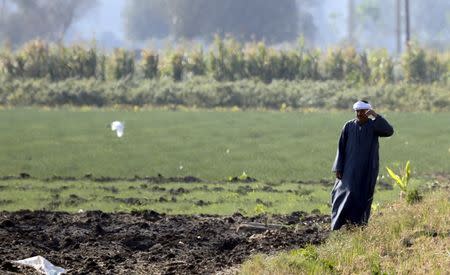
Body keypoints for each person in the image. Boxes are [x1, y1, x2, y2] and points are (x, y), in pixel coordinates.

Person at [331, 100, 394, 230]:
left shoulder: (374, 126)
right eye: (357, 111)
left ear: (368, 112)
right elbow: (341, 147)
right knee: (341, 193)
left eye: (362, 111)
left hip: (367, 169)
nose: (359, 114)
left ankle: (359, 225)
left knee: (362, 196)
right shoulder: (348, 126)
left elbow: (389, 131)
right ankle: (338, 225)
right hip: (349, 168)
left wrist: (376, 116)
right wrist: (338, 167)